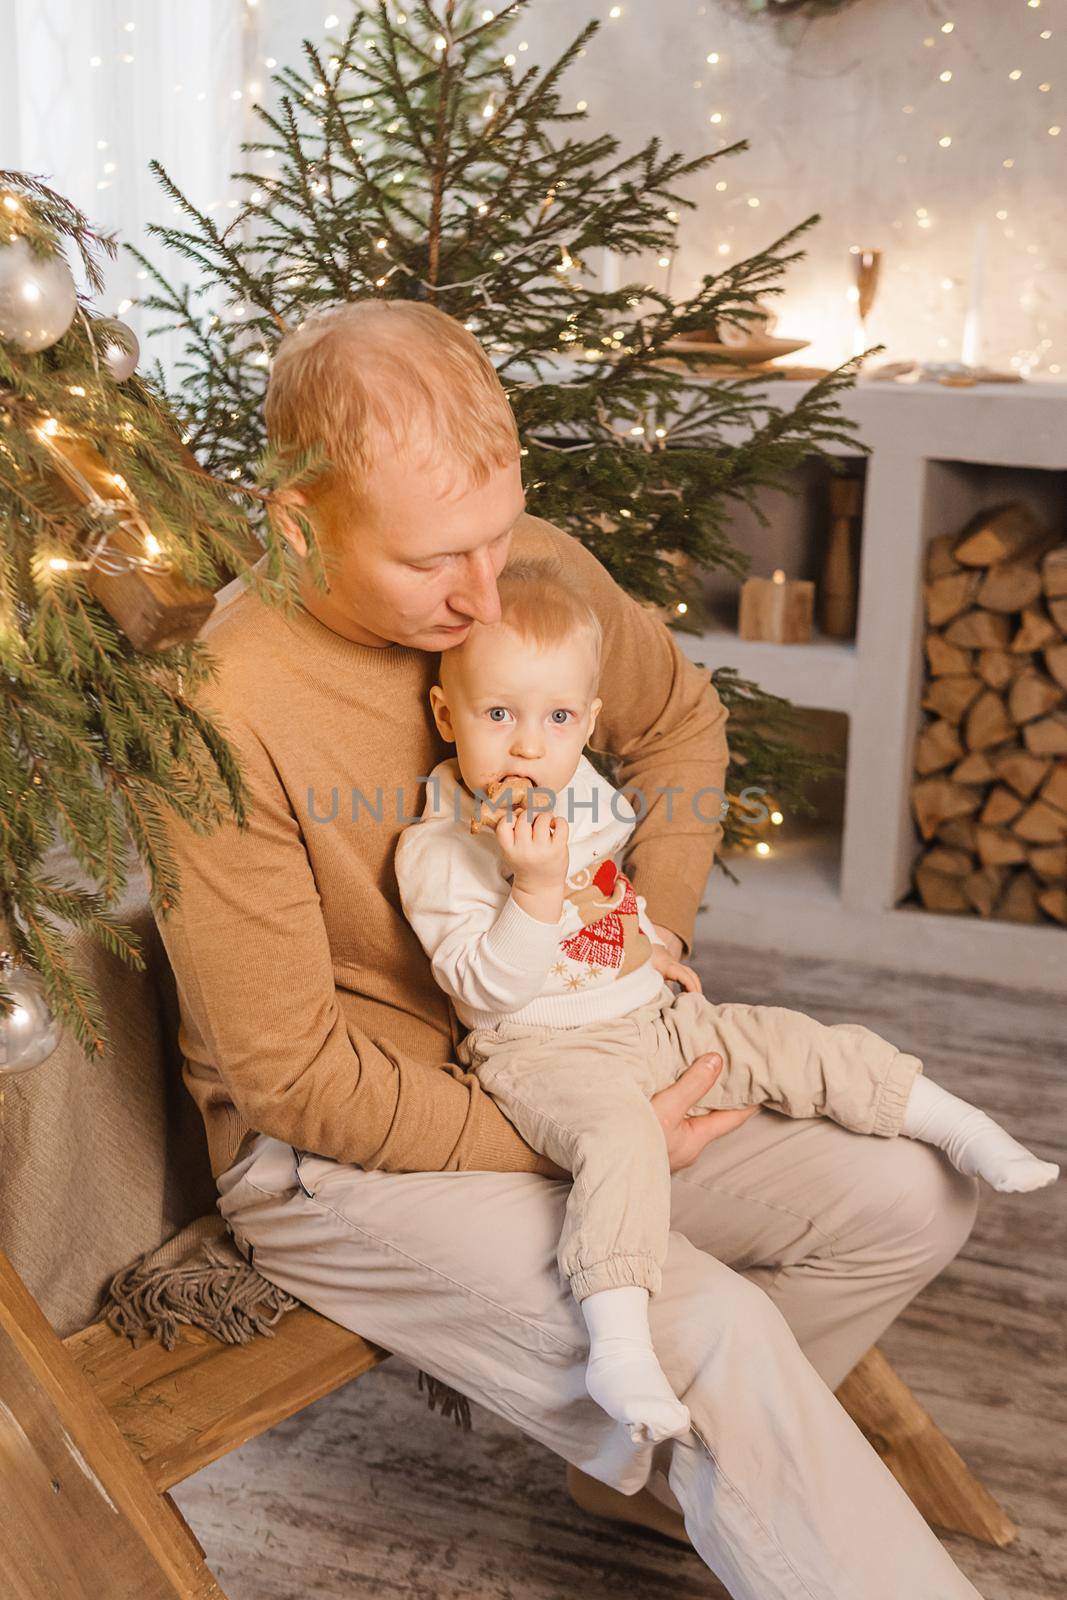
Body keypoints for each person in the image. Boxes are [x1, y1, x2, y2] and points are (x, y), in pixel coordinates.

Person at [157, 297, 988, 1599]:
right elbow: (292, 1084)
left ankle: (658, 1486)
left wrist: (641, 926)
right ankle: (711, 1444)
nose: (486, 592)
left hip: (577, 1063)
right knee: (717, 1335)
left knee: (914, 1190)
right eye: (437, 560)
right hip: (345, 1157)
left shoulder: (522, 570)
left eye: (498, 534)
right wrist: (599, 1137)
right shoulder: (216, 716)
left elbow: (679, 724)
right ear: (296, 524)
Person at [393, 555, 1057, 1446]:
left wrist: (650, 939)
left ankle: (950, 1120)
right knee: (621, 1139)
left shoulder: (575, 785)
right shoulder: (437, 848)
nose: (525, 746)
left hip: (647, 1017)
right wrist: (534, 888)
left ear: (587, 724)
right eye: (498, 714)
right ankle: (617, 1341)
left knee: (788, 1040)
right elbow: (484, 989)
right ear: (447, 715)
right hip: (541, 1052)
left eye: (555, 719)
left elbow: (610, 885)